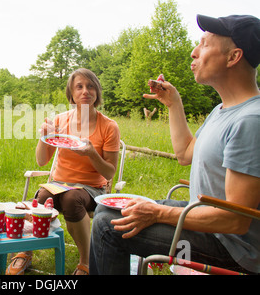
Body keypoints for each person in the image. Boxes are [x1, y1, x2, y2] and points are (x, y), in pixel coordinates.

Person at [90, 14, 260, 275]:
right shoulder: (223, 110)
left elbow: (234, 220)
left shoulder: (251, 121)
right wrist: (173, 104)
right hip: (206, 219)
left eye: (204, 44)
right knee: (107, 206)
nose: (193, 52)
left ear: (233, 57)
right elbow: (184, 154)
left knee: (106, 226)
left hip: (231, 248)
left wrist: (158, 213)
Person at [6, 68, 121, 275]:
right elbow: (42, 161)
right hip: (58, 184)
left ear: (97, 92)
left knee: (71, 199)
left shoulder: (109, 126)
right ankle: (25, 252)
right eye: (79, 86)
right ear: (71, 93)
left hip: (91, 188)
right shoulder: (60, 121)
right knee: (42, 195)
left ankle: (86, 262)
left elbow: (110, 172)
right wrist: (43, 137)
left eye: (90, 86)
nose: (85, 91)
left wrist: (92, 154)